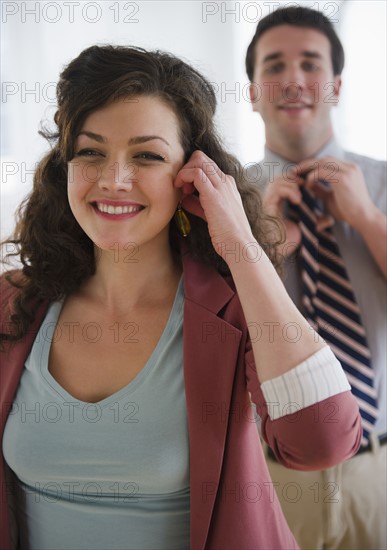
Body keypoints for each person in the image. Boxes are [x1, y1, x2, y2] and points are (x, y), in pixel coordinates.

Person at [0, 44, 361, 550]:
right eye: (91, 151)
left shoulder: (232, 311)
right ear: (65, 167)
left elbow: (321, 443)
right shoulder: (14, 303)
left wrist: (240, 245)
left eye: (147, 155)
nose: (114, 180)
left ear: (191, 174)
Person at [245, 6, 387, 550]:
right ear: (253, 92)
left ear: (337, 86)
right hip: (267, 478)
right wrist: (259, 248)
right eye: (275, 65)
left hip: (378, 472)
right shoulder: (218, 200)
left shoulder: (381, 183)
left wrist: (368, 218)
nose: (295, 79)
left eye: (311, 62)